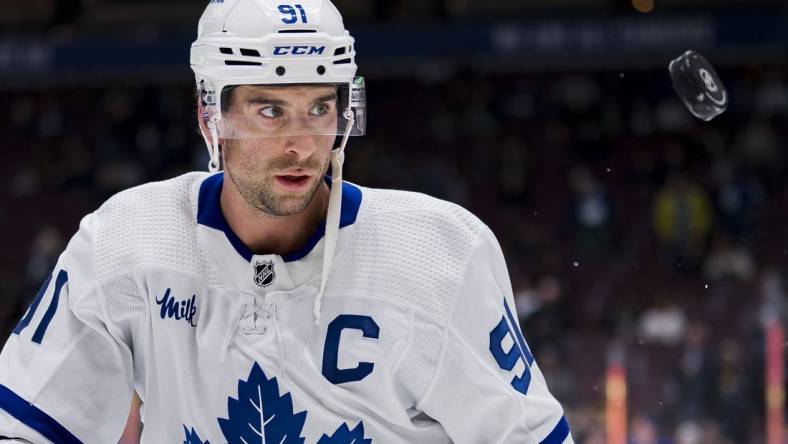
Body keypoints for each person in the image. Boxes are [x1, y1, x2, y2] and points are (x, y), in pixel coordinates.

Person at [0, 1, 572, 442]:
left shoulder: (438, 256)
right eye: (270, 110)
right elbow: (25, 426)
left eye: (319, 108)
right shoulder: (127, 243)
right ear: (210, 115)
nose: (301, 143)